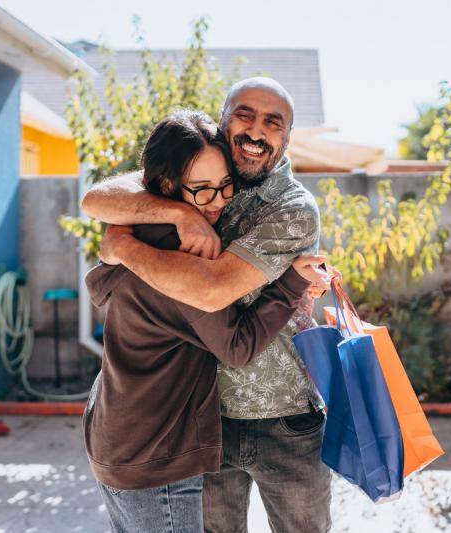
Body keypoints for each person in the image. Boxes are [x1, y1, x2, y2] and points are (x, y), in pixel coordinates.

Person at [83, 78, 333, 533]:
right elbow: (95, 200)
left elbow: (211, 291)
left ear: (287, 137)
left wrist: (123, 242)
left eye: (273, 123)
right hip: (205, 421)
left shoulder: (290, 206)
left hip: (283, 417)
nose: (257, 131)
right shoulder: (203, 172)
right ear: (223, 122)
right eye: (245, 115)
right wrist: (174, 213)